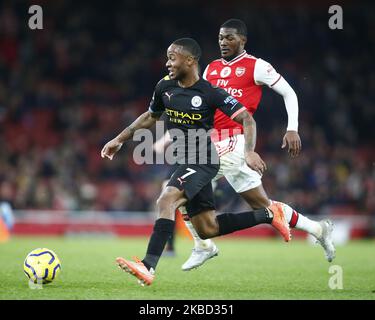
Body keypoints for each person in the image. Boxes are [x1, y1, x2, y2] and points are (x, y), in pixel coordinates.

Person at [101, 38, 291, 286]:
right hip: (184, 160)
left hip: (203, 159)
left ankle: (148, 266)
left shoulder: (210, 92)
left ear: (190, 61)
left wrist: (249, 151)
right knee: (207, 229)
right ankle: (268, 214)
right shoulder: (164, 87)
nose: (168, 63)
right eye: (168, 57)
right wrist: (119, 139)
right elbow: (150, 117)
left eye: (173, 57)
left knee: (166, 199)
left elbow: (247, 119)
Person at [154, 19, 336, 270]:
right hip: (211, 140)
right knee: (264, 205)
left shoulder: (257, 66)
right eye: (220, 38)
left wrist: (292, 127)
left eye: (229, 38)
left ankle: (203, 246)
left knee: (180, 187)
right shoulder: (212, 68)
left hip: (235, 141)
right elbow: (195, 104)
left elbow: (289, 92)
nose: (223, 42)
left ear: (243, 40)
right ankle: (319, 229)